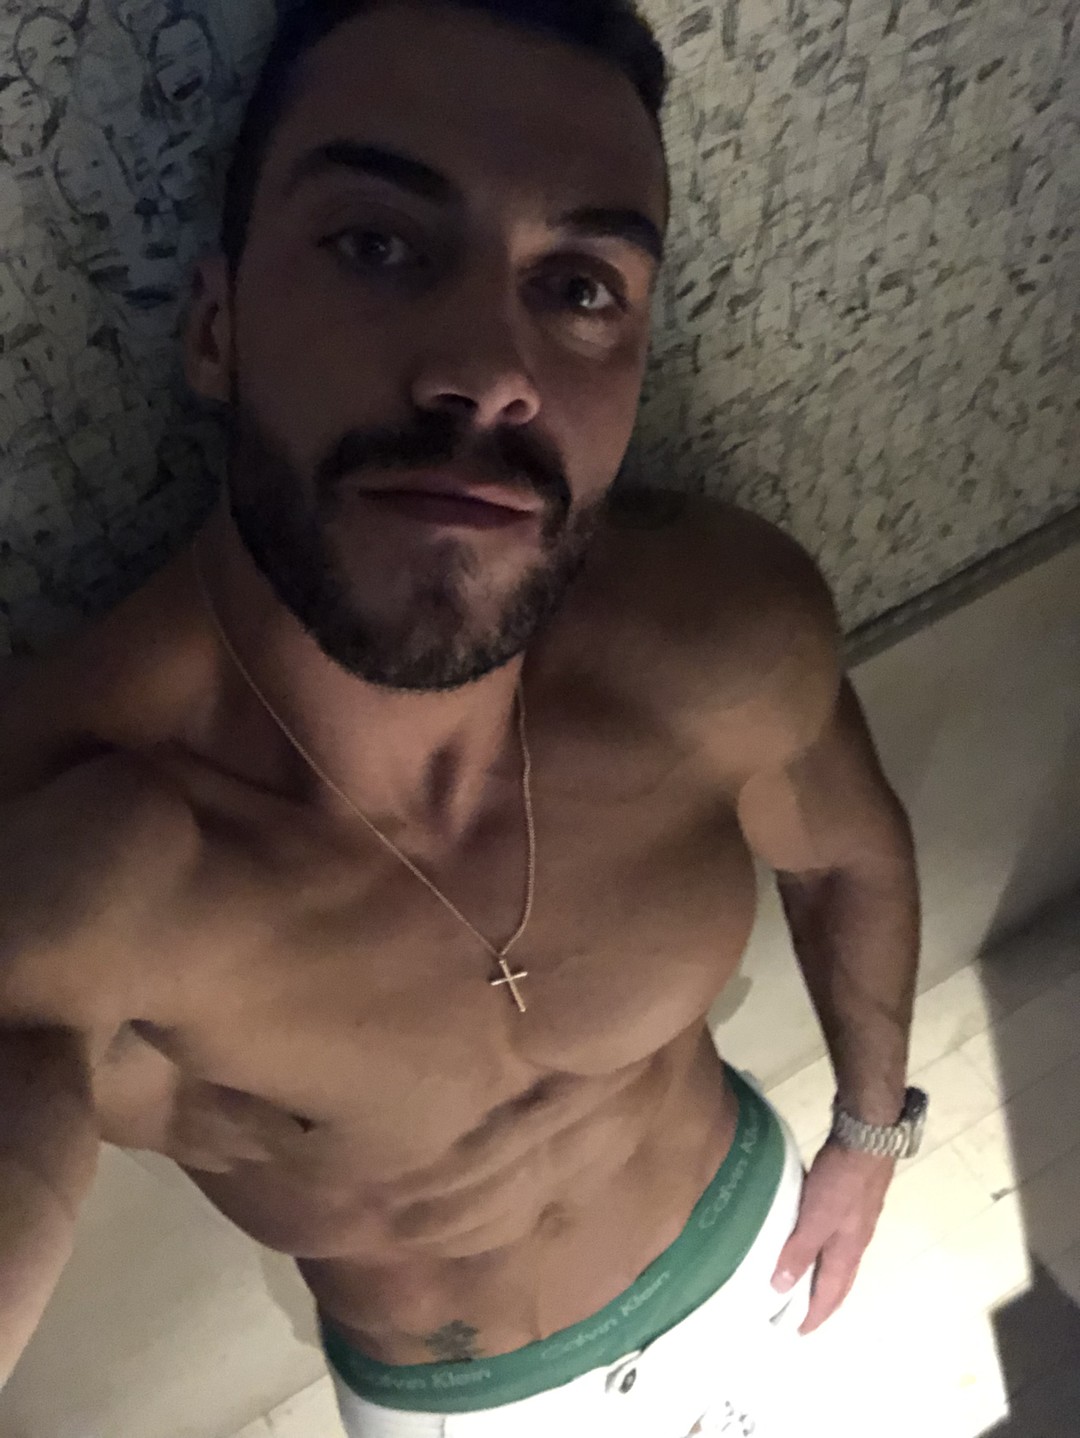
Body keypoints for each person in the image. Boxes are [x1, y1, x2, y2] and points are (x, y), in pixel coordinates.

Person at [0, 2, 925, 1434]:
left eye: (580, 285)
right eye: (378, 244)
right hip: (455, 1405)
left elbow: (849, 855)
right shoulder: (77, 835)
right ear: (218, 324)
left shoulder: (720, 643)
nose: (490, 373)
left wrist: (867, 1137)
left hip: (752, 1246)